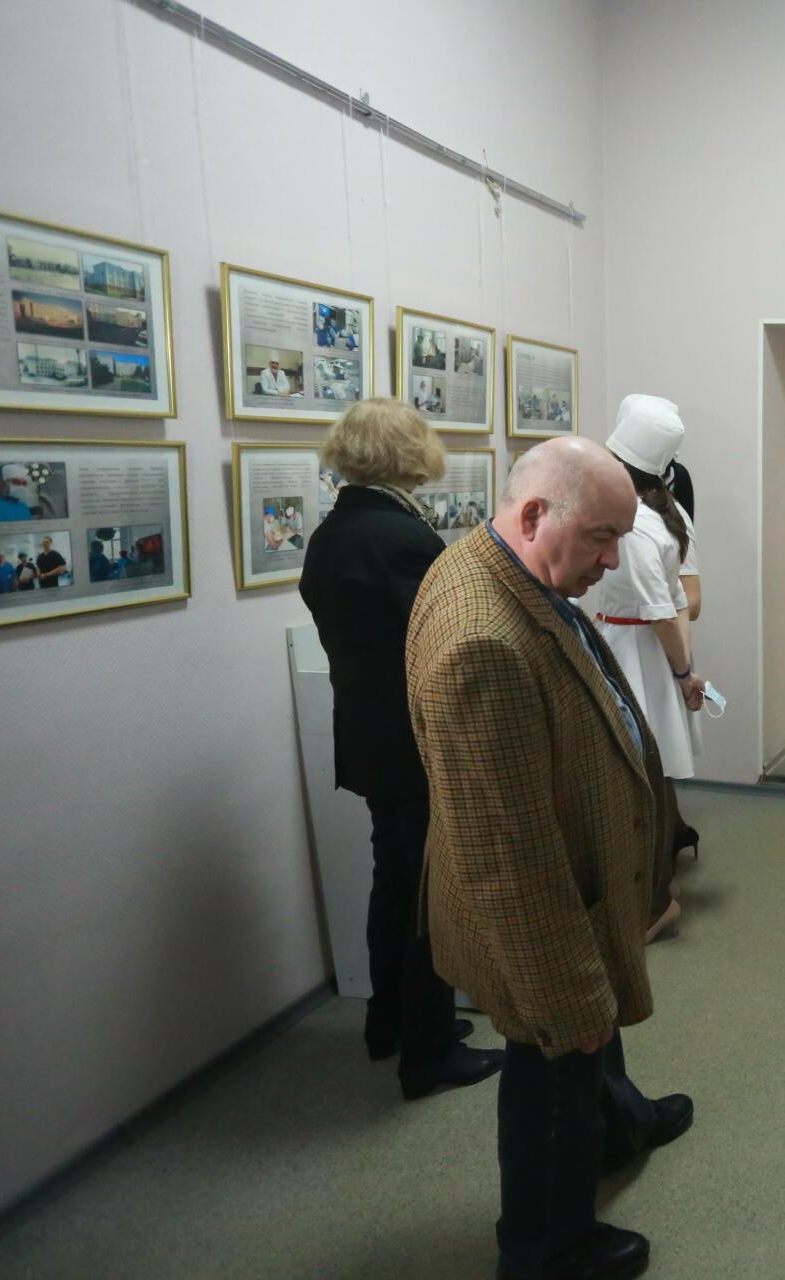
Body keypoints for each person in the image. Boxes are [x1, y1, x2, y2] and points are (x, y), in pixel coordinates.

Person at [406, 437, 692, 1280]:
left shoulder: (506, 566)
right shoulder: (482, 640)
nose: (613, 561)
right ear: (534, 515)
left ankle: (618, 1123)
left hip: (580, 873)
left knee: (589, 1053)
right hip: (542, 906)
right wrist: (567, 996)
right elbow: (509, 856)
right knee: (554, 1069)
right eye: (603, 537)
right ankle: (545, 1249)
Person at [299, 398, 503, 1101]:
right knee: (429, 896)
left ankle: (389, 1021)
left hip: (367, 736)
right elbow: (450, 640)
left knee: (394, 882)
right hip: (416, 741)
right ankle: (428, 1051)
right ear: (409, 452)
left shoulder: (333, 532)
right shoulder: (399, 536)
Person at [594, 395, 707, 941]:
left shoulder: (636, 524)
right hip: (646, 652)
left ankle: (656, 900)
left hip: (636, 653)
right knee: (649, 774)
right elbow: (680, 603)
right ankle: (653, 890)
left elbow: (664, 609)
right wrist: (682, 670)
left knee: (641, 780)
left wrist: (684, 677)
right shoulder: (665, 512)